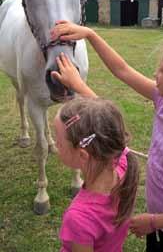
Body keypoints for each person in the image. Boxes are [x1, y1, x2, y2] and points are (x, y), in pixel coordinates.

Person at [51, 21, 163, 252]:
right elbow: (122, 70)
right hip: (156, 221)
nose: (155, 74)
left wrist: (155, 222)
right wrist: (90, 35)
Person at [54, 96, 139, 252]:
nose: (55, 145)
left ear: (82, 155)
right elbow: (104, 120)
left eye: (58, 141)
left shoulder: (79, 218)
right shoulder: (124, 165)